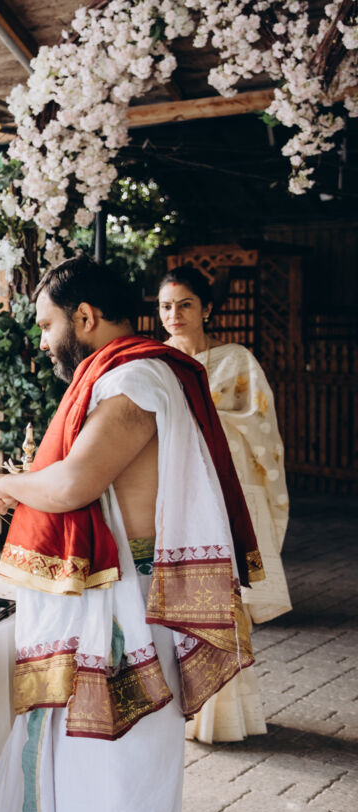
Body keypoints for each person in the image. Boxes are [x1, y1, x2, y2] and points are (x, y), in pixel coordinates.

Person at [0, 256, 262, 812]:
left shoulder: (134, 380)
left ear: (85, 317)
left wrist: (2, 482)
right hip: (124, 595)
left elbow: (75, 483)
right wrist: (19, 489)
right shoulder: (140, 372)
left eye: (47, 326)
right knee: (101, 777)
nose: (43, 342)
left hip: (126, 606)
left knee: (116, 782)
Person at [159, 265, 291, 743]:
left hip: (226, 492)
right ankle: (183, 710)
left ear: (207, 309)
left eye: (186, 304)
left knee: (224, 597)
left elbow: (261, 427)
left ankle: (229, 717)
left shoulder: (236, 360)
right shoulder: (156, 362)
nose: (174, 314)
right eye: (166, 306)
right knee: (182, 599)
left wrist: (204, 421)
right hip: (175, 492)